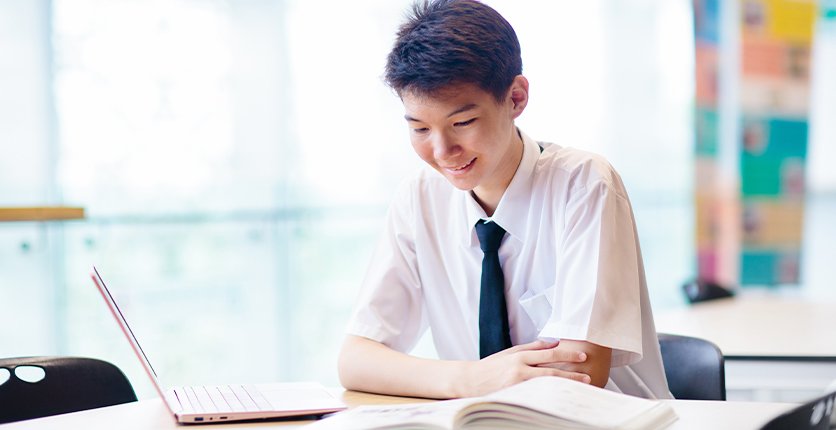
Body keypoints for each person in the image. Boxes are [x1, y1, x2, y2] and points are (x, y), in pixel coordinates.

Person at [338, 0, 671, 400]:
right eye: (421, 128)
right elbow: (356, 359)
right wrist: (469, 379)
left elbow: (579, 368)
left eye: (462, 123)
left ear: (515, 98)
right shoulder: (419, 199)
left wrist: (457, 380)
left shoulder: (583, 185)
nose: (443, 150)